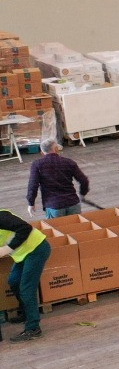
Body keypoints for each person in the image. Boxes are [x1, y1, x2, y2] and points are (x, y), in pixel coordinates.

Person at [0, 207, 48, 341]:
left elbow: (25, 228)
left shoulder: (1, 217)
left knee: (26, 290)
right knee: (14, 281)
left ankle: (33, 328)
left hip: (36, 249)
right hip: (23, 255)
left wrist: (7, 249)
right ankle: (27, 313)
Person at [26, 140, 88, 218]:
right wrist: (82, 194)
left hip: (54, 205)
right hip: (73, 203)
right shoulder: (69, 162)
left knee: (56, 229)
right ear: (56, 149)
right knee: (77, 229)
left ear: (42, 153)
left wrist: (31, 203)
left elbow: (33, 185)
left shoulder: (37, 165)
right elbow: (84, 180)